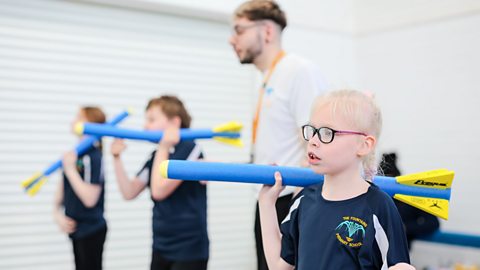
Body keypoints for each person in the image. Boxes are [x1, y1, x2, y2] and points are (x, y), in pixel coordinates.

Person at [259, 90, 414, 269]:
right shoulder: (303, 202)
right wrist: (266, 204)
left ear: (364, 145)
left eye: (327, 133)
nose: (313, 141)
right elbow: (279, 266)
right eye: (312, 131)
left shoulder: (379, 207)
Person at [229, 1, 327, 269]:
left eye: (239, 30)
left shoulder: (298, 70)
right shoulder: (267, 77)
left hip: (293, 201)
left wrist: (305, 206)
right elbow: (276, 151)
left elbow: (317, 143)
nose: (231, 39)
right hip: (271, 198)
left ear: (267, 32)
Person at [110, 95, 208, 270]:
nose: (145, 126)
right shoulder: (156, 156)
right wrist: (117, 158)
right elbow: (129, 192)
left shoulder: (190, 148)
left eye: (152, 120)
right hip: (161, 245)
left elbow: (159, 190)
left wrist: (163, 147)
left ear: (174, 123)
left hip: (188, 249)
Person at [53, 106, 107, 270]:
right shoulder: (76, 155)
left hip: (91, 230)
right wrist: (58, 215)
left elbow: (90, 199)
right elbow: (61, 194)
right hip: (75, 229)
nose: (73, 121)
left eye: (79, 117)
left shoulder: (92, 157)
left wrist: (69, 169)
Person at [379, 152, 440, 249]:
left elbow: (433, 223)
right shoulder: (376, 197)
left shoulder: (408, 198)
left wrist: (405, 227)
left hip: (400, 251)